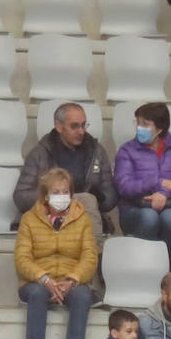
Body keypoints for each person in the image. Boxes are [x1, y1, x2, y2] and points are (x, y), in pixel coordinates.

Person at [15, 166, 98, 339]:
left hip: (71, 280)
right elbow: (22, 258)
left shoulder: (83, 219)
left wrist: (72, 279)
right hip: (38, 281)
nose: (62, 196)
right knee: (37, 293)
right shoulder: (29, 219)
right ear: (45, 196)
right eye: (56, 192)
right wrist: (44, 279)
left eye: (65, 192)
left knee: (82, 296)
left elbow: (89, 256)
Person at [13, 102, 116, 246]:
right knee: (85, 200)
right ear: (59, 126)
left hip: (85, 215)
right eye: (74, 126)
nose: (81, 131)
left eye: (83, 125)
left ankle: (90, 258)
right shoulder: (39, 153)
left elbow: (110, 198)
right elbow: (21, 197)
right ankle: (92, 256)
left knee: (87, 201)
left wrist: (97, 197)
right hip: (48, 215)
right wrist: (58, 198)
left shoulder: (97, 152)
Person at [116, 102, 171, 262]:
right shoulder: (127, 150)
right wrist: (157, 182)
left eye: (145, 124)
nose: (139, 128)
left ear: (160, 128)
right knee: (149, 217)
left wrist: (164, 194)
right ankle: (141, 265)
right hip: (135, 208)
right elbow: (123, 185)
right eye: (137, 123)